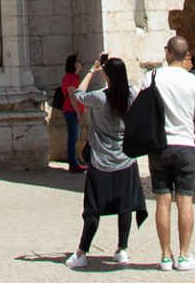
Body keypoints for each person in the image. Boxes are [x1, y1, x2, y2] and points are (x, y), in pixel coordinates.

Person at [63, 54, 147, 269]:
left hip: (101, 161)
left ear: (107, 75)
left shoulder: (100, 98)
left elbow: (78, 94)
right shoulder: (132, 94)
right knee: (125, 206)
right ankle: (122, 249)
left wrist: (92, 70)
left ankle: (82, 252)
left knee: (93, 209)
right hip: (126, 160)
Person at [149, 35, 195, 273]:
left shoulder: (152, 77)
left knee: (162, 202)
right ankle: (184, 256)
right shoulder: (194, 82)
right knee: (185, 201)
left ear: (167, 52)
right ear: (187, 56)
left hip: (159, 145)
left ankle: (165, 256)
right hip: (185, 145)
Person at [58, 54, 86, 173]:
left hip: (74, 111)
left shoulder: (75, 77)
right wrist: (78, 113)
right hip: (71, 111)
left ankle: (75, 161)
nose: (81, 63)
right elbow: (72, 96)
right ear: (74, 63)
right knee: (73, 138)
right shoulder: (69, 78)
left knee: (74, 137)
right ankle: (73, 164)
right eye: (78, 61)